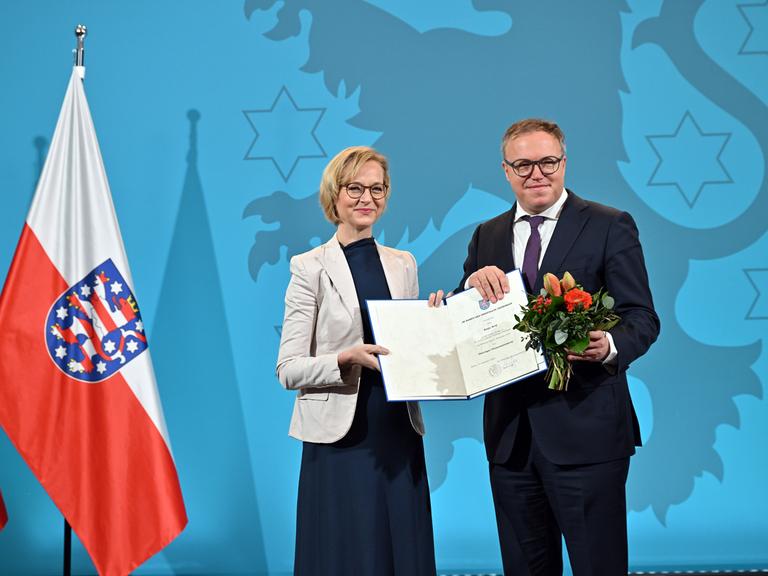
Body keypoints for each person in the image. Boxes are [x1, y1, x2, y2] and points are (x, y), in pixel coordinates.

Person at [430, 118, 660, 575]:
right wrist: (459, 295)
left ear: (564, 162)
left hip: (587, 434)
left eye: (548, 162)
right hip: (511, 440)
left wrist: (609, 345)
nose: (537, 173)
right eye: (524, 164)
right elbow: (473, 321)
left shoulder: (609, 225)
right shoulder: (487, 235)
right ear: (506, 170)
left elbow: (642, 317)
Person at [276, 146, 436, 576]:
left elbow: (407, 341)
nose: (367, 198)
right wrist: (345, 358)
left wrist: (437, 323)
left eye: (377, 189)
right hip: (340, 437)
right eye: (355, 188)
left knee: (401, 548)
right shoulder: (309, 267)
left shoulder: (403, 264)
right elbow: (288, 368)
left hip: (397, 428)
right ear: (335, 194)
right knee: (343, 553)